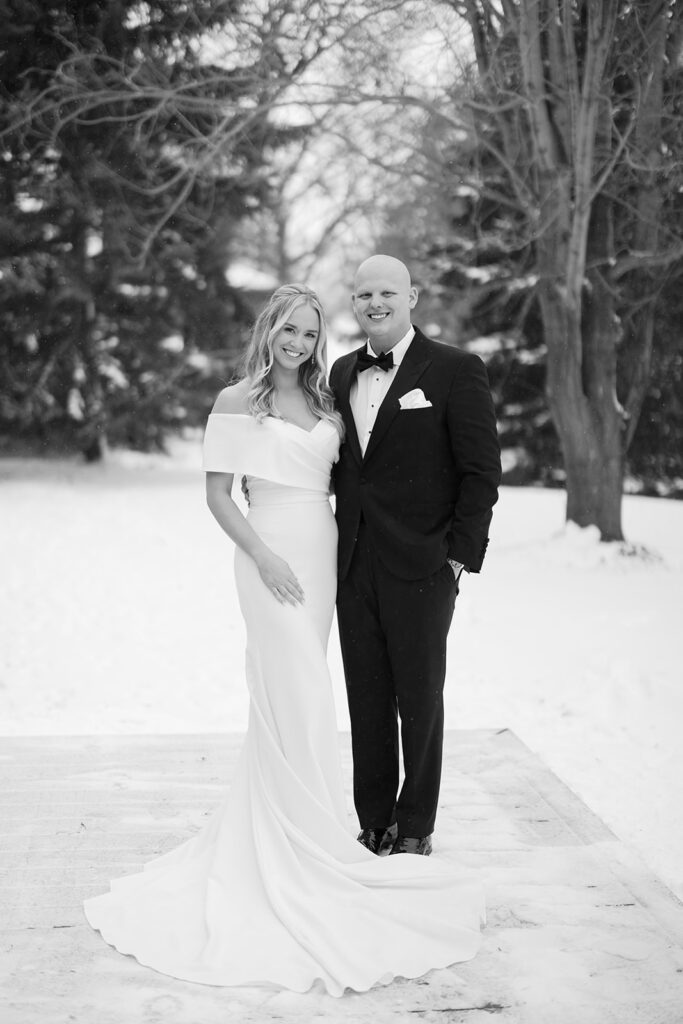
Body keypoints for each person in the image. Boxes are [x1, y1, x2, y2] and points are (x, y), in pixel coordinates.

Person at [83, 283, 484, 995]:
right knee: (288, 685)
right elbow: (215, 493)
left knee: (309, 690)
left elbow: (363, 471)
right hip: (266, 551)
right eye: (286, 330)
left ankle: (313, 826)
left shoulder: (329, 397)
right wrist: (263, 556)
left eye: (307, 332)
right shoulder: (239, 399)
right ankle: (292, 843)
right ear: (268, 331)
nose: (296, 342)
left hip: (323, 551)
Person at [330, 255, 501, 859]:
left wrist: (458, 558)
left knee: (420, 699)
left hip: (425, 566)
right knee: (366, 698)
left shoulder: (455, 369)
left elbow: (481, 472)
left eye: (387, 293)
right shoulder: (341, 373)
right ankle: (372, 819)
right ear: (354, 303)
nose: (375, 303)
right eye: (364, 294)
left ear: (412, 297)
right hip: (353, 566)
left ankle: (415, 826)